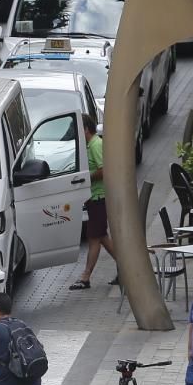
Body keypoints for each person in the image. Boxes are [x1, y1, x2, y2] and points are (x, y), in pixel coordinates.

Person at [70, 115, 117, 290]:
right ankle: (126, 270)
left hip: (99, 197)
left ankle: (85, 277)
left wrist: (85, 177)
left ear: (86, 129)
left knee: (93, 238)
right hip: (93, 198)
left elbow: (103, 170)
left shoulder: (96, 145)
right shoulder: (89, 145)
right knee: (101, 236)